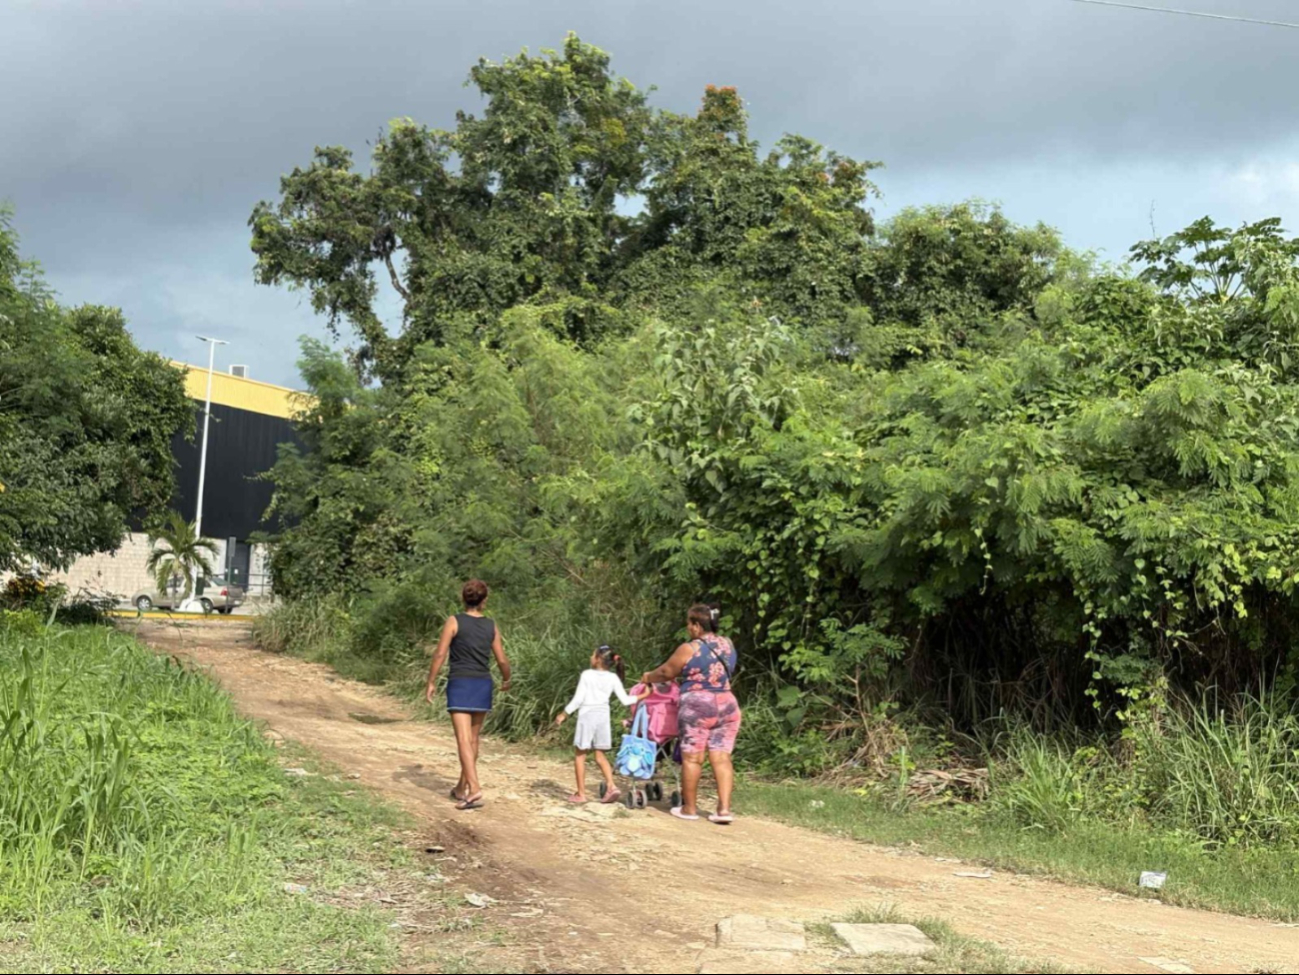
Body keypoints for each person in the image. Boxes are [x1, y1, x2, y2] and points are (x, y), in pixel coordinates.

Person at [642, 603, 741, 824]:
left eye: (689, 623)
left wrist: (647, 677)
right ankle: (723, 810)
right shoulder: (728, 644)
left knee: (693, 759)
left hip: (698, 706)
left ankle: (689, 808)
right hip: (727, 704)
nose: (688, 627)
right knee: (722, 757)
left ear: (697, 625)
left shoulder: (690, 648)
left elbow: (667, 672)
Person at [425, 580, 511, 811]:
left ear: (463, 598)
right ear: (484, 601)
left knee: (463, 740)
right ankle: (461, 788)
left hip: (461, 683)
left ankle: (474, 788)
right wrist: (506, 679)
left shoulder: (454, 621)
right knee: (473, 740)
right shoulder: (491, 626)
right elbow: (502, 659)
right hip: (483, 684)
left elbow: (440, 654)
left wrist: (431, 681)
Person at [555, 644, 648, 805]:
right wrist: (644, 695)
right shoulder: (613, 678)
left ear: (598, 659)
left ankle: (581, 794)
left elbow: (578, 699)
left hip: (587, 715)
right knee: (600, 755)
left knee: (580, 755)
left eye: (592, 654)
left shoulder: (587, 675)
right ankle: (611, 786)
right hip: (603, 715)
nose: (590, 657)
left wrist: (564, 714)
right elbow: (625, 700)